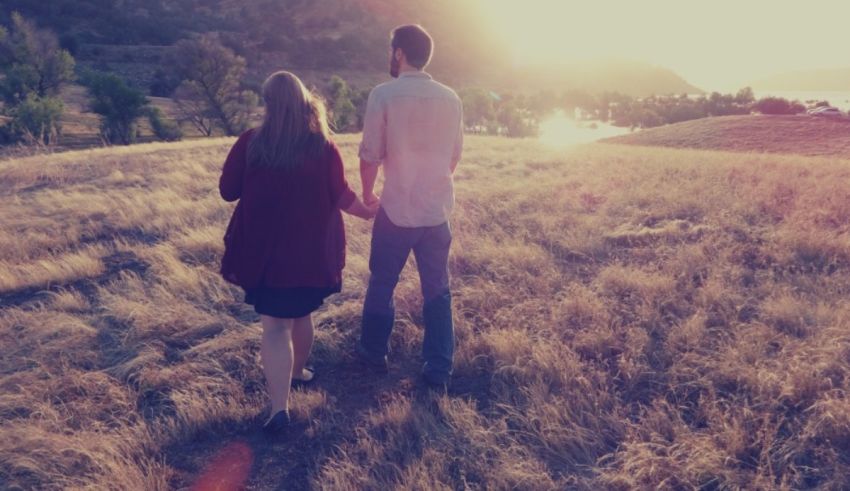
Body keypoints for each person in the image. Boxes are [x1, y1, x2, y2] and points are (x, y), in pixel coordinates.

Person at [219, 71, 378, 435]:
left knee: (275, 326)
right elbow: (341, 196)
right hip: (309, 253)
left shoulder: (251, 142)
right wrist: (369, 211)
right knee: (302, 313)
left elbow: (228, 191)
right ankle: (297, 373)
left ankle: (280, 409)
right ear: (304, 101)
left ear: (269, 105)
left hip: (263, 254)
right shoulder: (321, 145)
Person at [356, 24, 464, 392]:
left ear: (399, 52)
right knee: (438, 288)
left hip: (396, 208)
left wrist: (369, 194)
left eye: (391, 50)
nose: (390, 55)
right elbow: (454, 157)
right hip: (436, 213)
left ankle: (373, 352)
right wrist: (432, 182)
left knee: (382, 282)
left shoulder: (383, 95)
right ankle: (438, 367)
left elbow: (370, 154)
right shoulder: (451, 98)